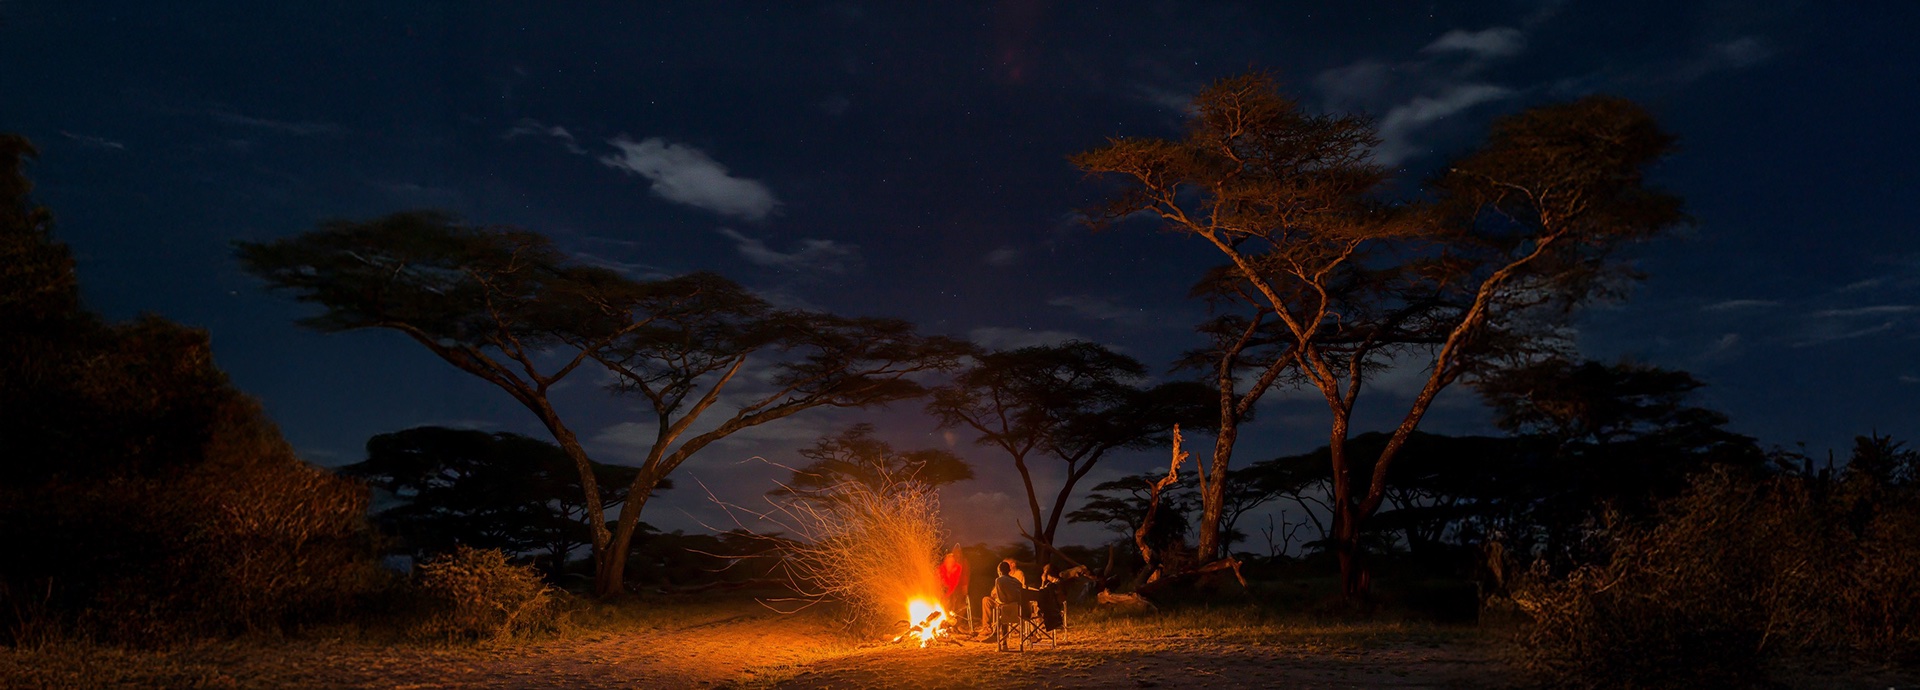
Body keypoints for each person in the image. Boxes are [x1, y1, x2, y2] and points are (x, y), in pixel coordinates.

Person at [984, 560, 1024, 647]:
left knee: (1002, 610)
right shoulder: (1016, 581)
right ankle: (999, 637)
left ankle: (997, 636)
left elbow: (1002, 598)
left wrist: (998, 601)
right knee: (1003, 608)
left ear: (999, 571)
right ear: (1009, 570)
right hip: (1020, 608)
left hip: (1008, 608)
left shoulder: (999, 580)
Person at [938, 544, 969, 623]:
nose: (950, 562)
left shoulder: (958, 568)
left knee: (954, 599)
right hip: (943, 592)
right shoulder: (941, 569)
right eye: (948, 560)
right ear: (945, 561)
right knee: (942, 597)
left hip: (955, 592)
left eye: (952, 560)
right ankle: (944, 618)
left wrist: (964, 588)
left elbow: (961, 580)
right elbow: (937, 580)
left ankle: (954, 622)